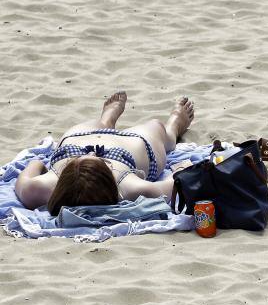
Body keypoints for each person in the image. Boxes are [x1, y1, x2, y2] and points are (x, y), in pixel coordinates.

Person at [15, 91, 195, 215]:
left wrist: (44, 168)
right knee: (157, 127)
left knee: (99, 124)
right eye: (100, 162)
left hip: (79, 139)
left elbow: (35, 164)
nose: (94, 153)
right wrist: (181, 169)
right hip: (132, 146)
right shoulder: (129, 188)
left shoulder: (37, 190)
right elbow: (176, 185)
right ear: (109, 179)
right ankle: (174, 126)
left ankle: (106, 120)